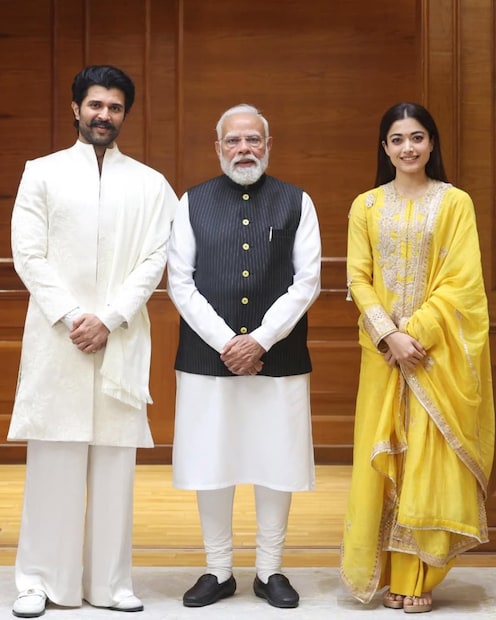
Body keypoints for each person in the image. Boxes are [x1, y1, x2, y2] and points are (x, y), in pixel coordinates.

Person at [8, 65, 178, 617]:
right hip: (58, 338)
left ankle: (109, 583)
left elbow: (155, 259)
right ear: (76, 109)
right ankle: (38, 581)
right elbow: (28, 254)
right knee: (53, 461)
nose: (104, 115)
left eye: (115, 107)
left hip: (119, 338)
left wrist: (109, 317)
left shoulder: (151, 184)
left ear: (126, 114)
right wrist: (71, 315)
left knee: (113, 465)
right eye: (95, 105)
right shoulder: (42, 173)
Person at [340, 102, 494, 613]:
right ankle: (388, 575)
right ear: (384, 148)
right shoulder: (365, 206)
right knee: (389, 458)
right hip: (383, 356)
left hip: (434, 354)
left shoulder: (454, 203)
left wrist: (415, 334)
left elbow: (462, 282)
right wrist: (389, 336)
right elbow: (357, 277)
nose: (408, 147)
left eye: (417, 137)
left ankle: (418, 577)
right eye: (398, 139)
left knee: (430, 459)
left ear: (431, 144)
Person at [167, 103, 321, 609]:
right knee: (212, 460)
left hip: (278, 357)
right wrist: (227, 344)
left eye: (253, 139)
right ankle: (218, 570)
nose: (244, 149)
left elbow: (307, 281)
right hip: (207, 358)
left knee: (277, 460)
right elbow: (180, 282)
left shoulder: (297, 201)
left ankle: (269, 570)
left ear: (268, 145)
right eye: (233, 141)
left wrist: (261, 339)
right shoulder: (191, 201)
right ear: (218, 148)